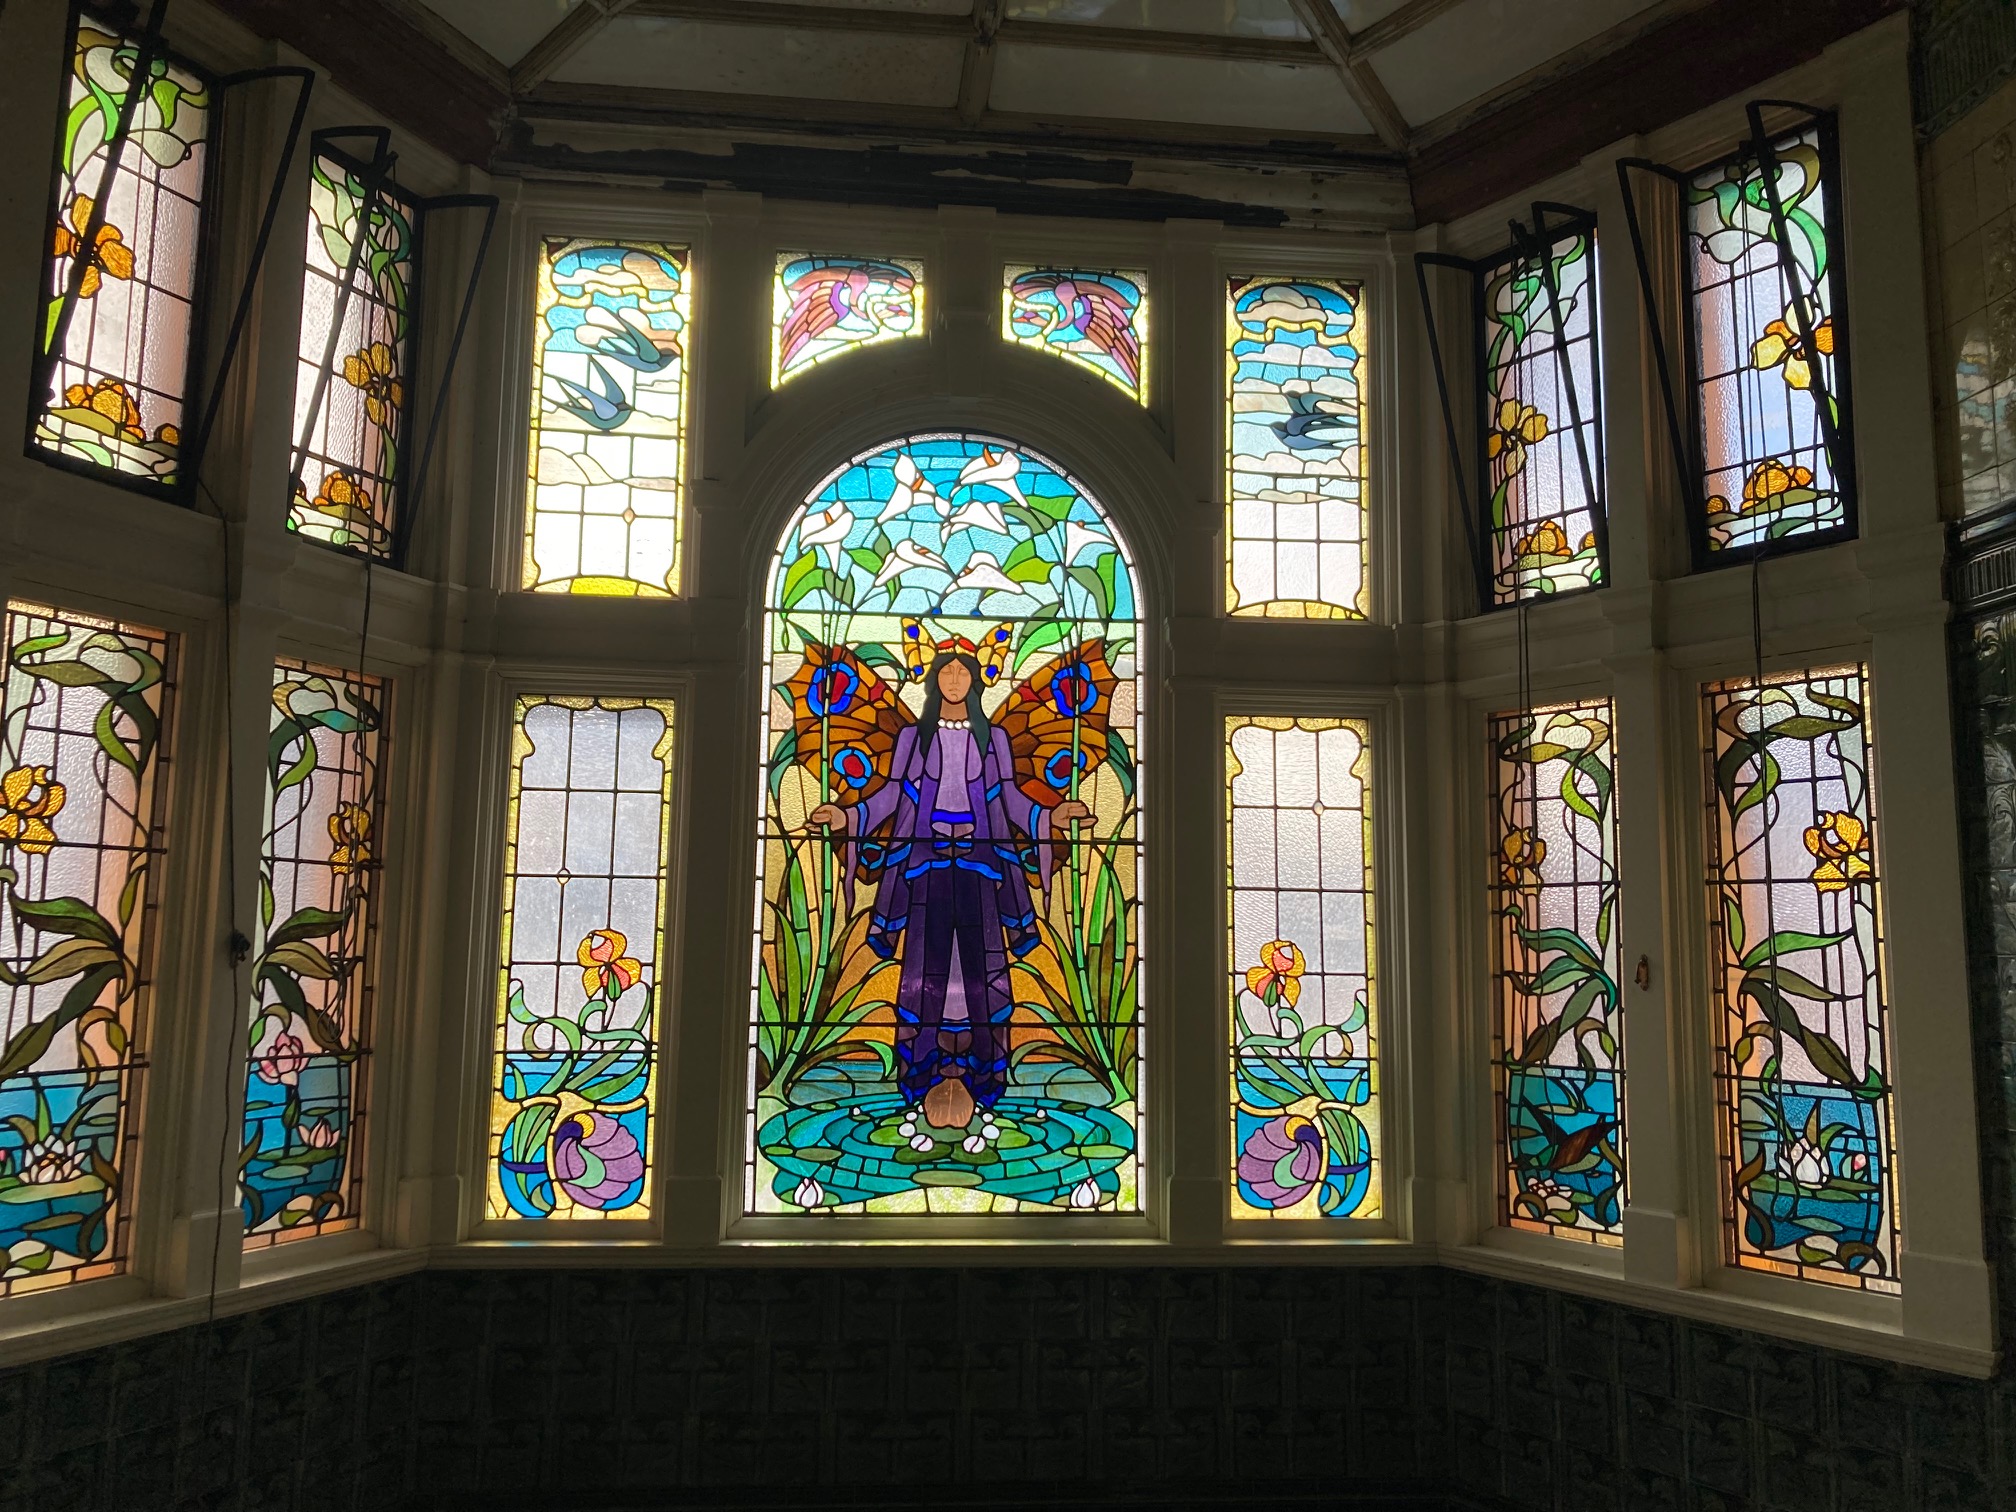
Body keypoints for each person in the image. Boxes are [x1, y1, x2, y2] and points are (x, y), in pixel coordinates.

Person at [811, 645, 1087, 1130]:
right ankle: (920, 1069)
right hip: (927, 863)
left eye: (963, 672)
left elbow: (1014, 800)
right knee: (924, 963)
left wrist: (1052, 816)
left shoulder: (994, 738)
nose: (954, 680)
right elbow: (892, 796)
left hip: (981, 862)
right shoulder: (913, 740)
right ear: (934, 681)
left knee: (984, 966)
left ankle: (985, 1070)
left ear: (975, 682)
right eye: (947, 672)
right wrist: (847, 815)